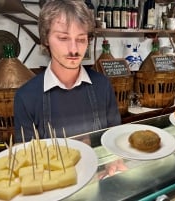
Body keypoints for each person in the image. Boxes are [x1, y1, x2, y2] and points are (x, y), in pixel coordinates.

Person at [13, 0, 121, 143]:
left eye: (81, 39)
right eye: (63, 38)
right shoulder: (26, 96)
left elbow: (114, 139)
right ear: (46, 39)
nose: (74, 49)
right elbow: (27, 157)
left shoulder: (102, 85)